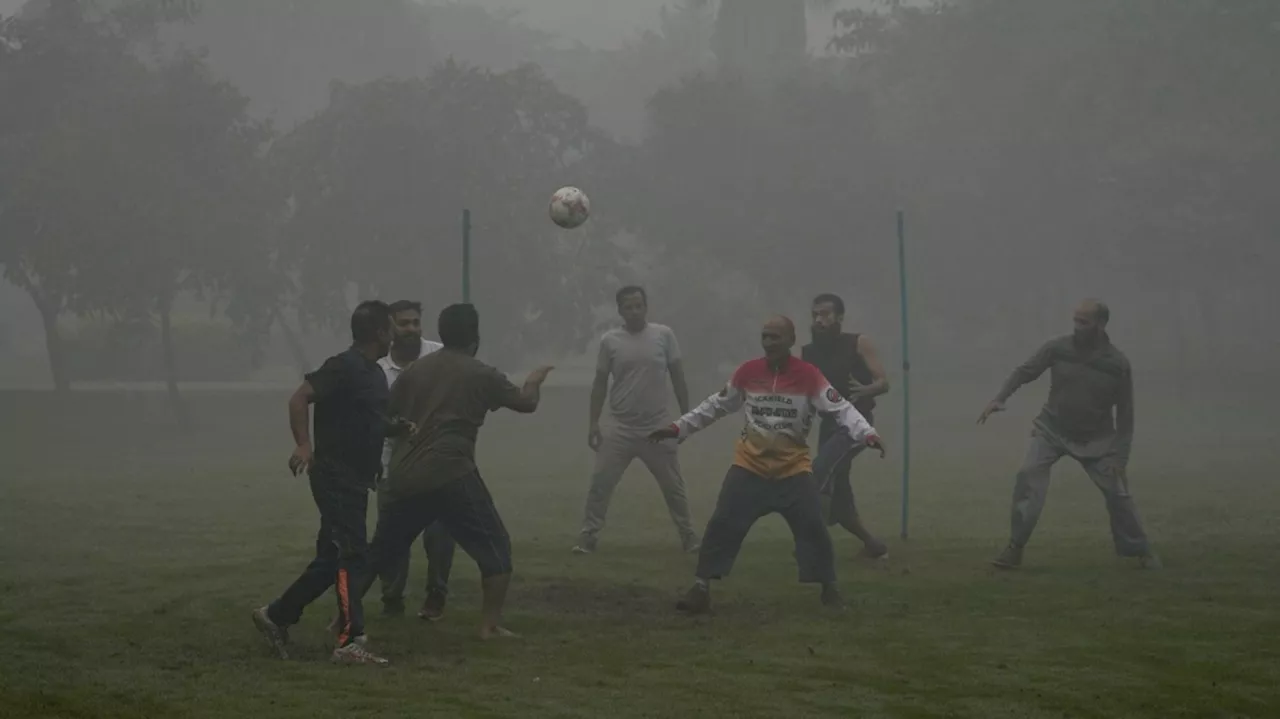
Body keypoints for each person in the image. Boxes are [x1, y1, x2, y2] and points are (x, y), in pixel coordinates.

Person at [649, 316, 885, 615]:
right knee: (722, 525)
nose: (769, 342)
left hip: (793, 472)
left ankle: (830, 590)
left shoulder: (809, 375)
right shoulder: (748, 372)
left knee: (814, 530)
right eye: (765, 337)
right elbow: (715, 405)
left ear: (790, 340)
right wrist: (677, 428)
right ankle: (701, 588)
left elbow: (840, 408)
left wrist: (867, 434)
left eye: (776, 337)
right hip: (749, 469)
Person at [357, 303, 554, 640]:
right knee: (496, 549)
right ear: (474, 337)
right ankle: (489, 625)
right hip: (451, 472)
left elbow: (386, 415)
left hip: (406, 473)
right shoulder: (481, 372)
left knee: (381, 551)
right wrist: (534, 381)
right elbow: (526, 403)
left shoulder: (414, 372)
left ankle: (340, 617)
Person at [252, 300, 414, 666]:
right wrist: (304, 444)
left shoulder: (372, 373)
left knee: (331, 559)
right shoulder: (343, 366)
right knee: (353, 555)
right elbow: (299, 398)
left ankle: (276, 615)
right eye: (392, 328)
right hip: (334, 475)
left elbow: (369, 420)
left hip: (357, 479)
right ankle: (349, 640)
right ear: (379, 333)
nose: (397, 334)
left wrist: (397, 427)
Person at [978, 299, 1160, 570]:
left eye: (1084, 322)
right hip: (1051, 429)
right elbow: (1025, 371)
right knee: (1028, 475)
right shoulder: (1058, 348)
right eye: (1075, 320)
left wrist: (1119, 458)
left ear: (1100, 324)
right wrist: (1000, 398)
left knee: (1118, 494)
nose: (1077, 327)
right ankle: (1014, 548)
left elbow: (1125, 415)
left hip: (1097, 440)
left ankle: (1140, 550)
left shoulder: (1117, 363)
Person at [575, 286, 699, 554]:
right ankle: (588, 536)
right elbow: (599, 383)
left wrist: (687, 418)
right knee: (601, 482)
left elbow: (678, 377)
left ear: (646, 307)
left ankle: (688, 536)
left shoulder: (664, 335)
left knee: (673, 487)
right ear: (620, 310)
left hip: (657, 425)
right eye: (628, 307)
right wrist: (594, 423)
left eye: (638, 305)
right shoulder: (610, 340)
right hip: (620, 426)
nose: (634, 311)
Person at [375, 300, 456, 621]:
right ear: (389, 328)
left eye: (415, 322)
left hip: (437, 464)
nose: (411, 329)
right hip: (392, 465)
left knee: (439, 533)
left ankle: (436, 595)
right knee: (392, 537)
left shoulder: (441, 356)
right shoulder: (378, 368)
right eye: (403, 323)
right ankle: (391, 598)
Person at [801, 293, 890, 559]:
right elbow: (808, 394)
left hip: (856, 425)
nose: (820, 320)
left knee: (819, 473)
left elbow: (883, 382)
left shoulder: (858, 343)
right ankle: (873, 545)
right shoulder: (809, 353)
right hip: (830, 426)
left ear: (839, 317)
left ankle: (812, 545)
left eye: (826, 314)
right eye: (816, 315)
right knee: (839, 490)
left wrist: (867, 389)